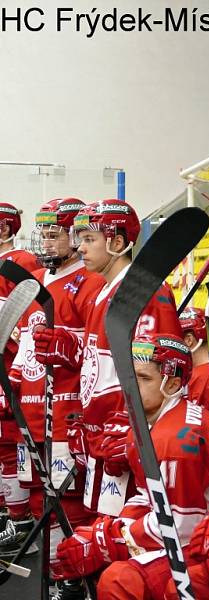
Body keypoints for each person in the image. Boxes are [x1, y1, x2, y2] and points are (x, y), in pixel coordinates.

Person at [50, 333, 209, 599]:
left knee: (120, 581)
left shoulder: (174, 439)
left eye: (143, 378)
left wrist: (113, 540)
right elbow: (150, 495)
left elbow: (180, 527)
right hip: (206, 523)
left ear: (174, 383)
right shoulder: (151, 421)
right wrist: (112, 527)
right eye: (130, 376)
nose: (130, 387)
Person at [32, 199, 183, 516]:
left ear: (116, 242)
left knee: (127, 526)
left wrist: (130, 429)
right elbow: (101, 359)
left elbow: (161, 369)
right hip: (102, 431)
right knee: (99, 520)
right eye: (79, 239)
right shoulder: (105, 288)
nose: (80, 248)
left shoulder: (144, 290)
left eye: (89, 239)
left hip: (126, 434)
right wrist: (67, 344)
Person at [2, 199, 105, 573]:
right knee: (35, 496)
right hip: (31, 407)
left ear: (74, 237)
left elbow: (98, 349)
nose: (46, 241)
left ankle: (72, 576)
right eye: (42, 232)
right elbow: (27, 341)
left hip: (65, 410)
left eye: (54, 233)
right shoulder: (37, 282)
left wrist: (70, 347)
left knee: (69, 501)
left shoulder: (91, 283)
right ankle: (50, 568)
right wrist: (12, 381)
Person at [0, 201, 39, 556]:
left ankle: (21, 520)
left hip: (13, 370)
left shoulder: (22, 262)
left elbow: (27, 322)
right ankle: (9, 513)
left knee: (12, 445)